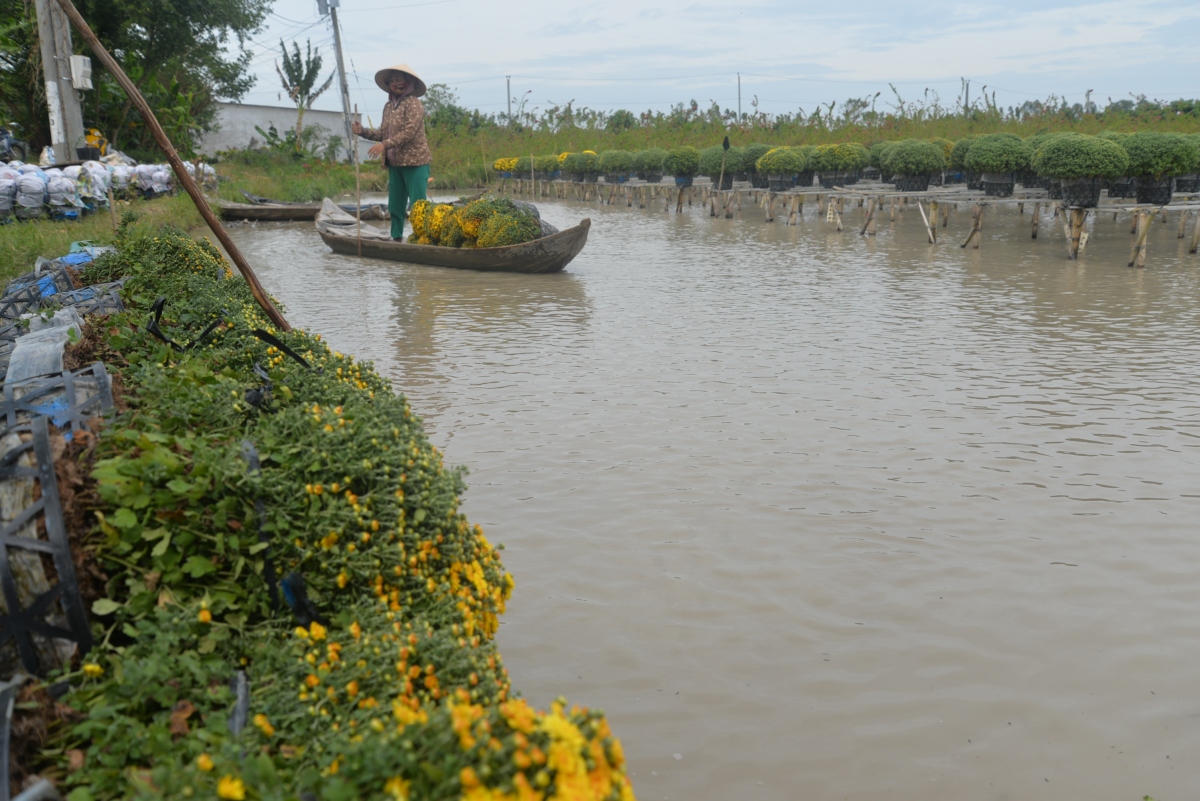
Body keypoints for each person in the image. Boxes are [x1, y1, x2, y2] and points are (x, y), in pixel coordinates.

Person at [351, 63, 432, 240]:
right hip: (395, 165)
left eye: (400, 80)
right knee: (395, 205)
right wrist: (363, 130)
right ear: (389, 84)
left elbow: (409, 132)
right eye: (393, 80)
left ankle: (423, 239)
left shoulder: (414, 104)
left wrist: (385, 145)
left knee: (419, 206)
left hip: (415, 162)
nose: (396, 84)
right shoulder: (388, 106)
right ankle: (396, 237)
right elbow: (382, 133)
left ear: (409, 82)